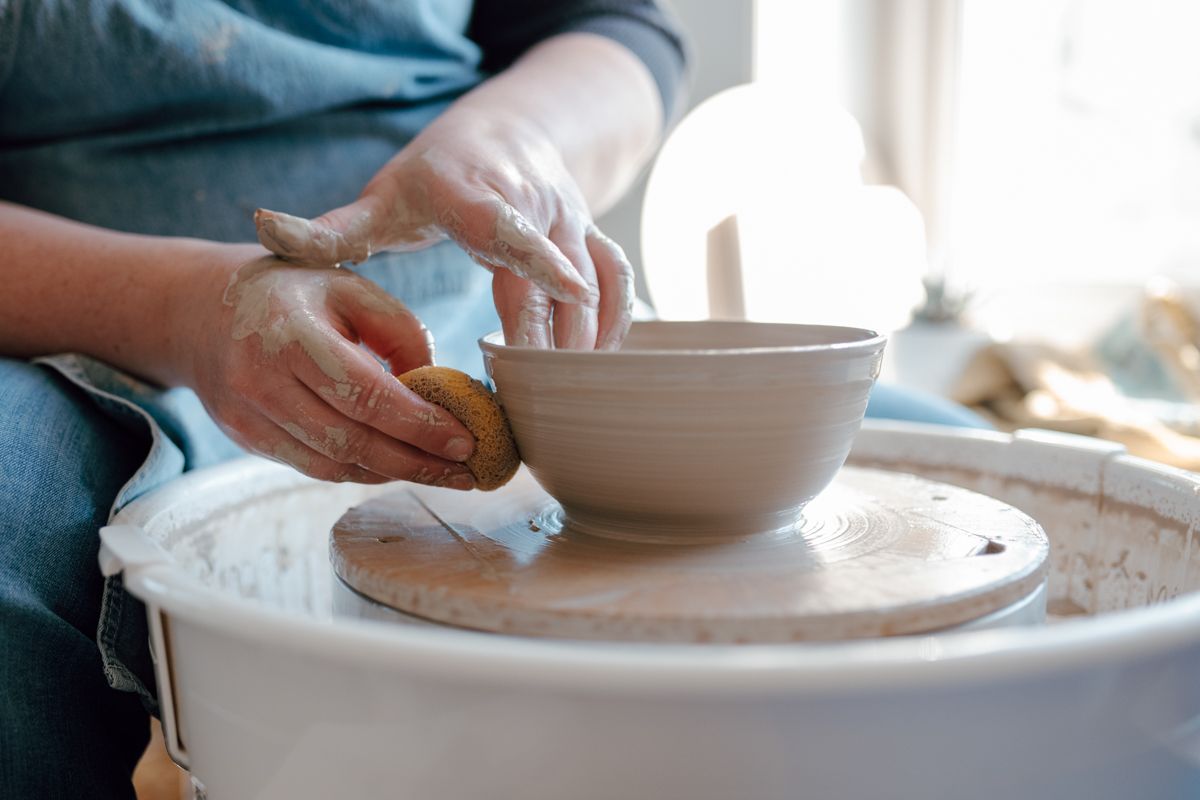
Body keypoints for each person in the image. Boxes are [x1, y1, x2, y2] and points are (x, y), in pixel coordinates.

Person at [0, 2, 687, 796]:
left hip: (482, 298)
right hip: (86, 319)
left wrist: (516, 139)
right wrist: (170, 307)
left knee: (833, 445)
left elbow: (616, 29)